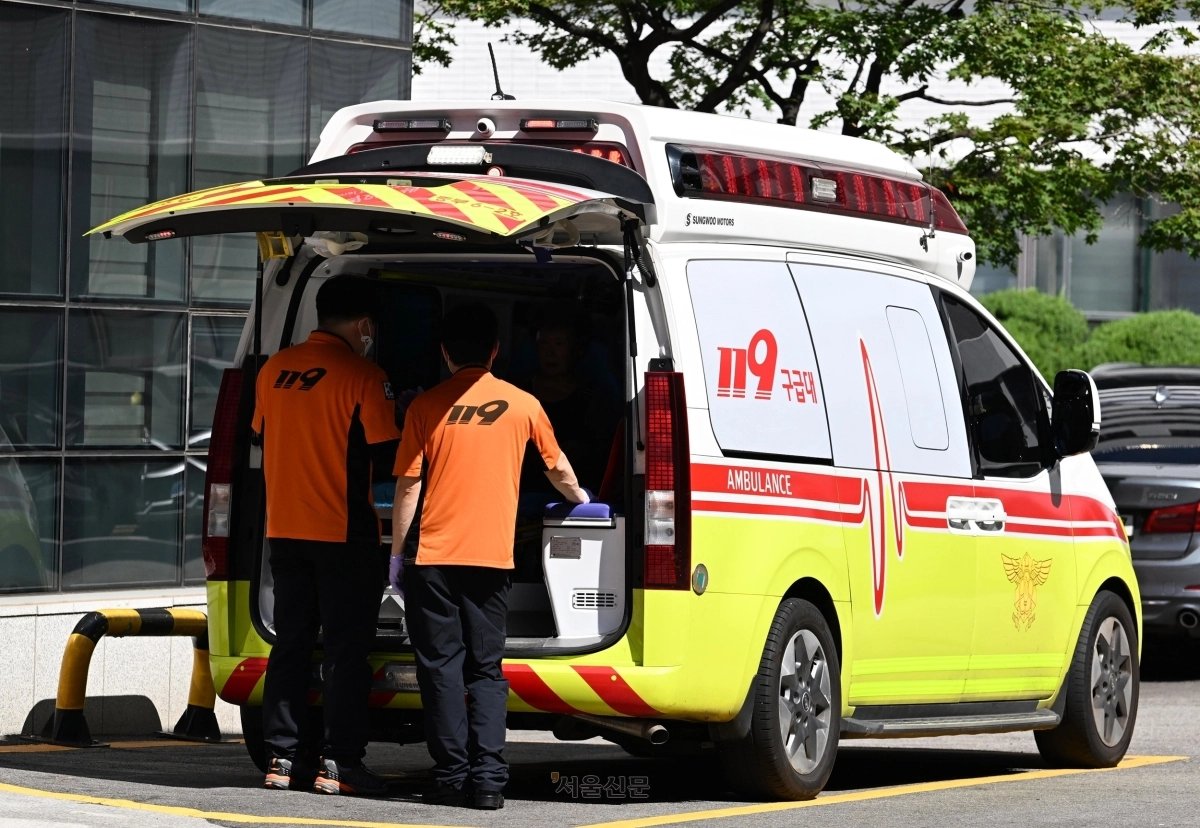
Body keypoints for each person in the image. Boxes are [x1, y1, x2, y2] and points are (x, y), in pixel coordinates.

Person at [391, 303, 588, 810]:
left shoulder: (425, 407)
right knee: (486, 669)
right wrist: (582, 501)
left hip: (433, 558)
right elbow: (558, 468)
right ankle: (489, 782)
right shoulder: (523, 404)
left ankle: (452, 776)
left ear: (443, 352)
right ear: (496, 350)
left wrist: (397, 554)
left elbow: (410, 486)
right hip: (491, 560)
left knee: (440, 668)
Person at [253, 275, 400, 797]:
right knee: (344, 651)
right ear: (363, 325)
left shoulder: (272, 369)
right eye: (369, 329)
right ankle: (339, 763)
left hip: (284, 531)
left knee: (290, 643)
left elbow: (261, 434)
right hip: (343, 533)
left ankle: (280, 758)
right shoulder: (364, 375)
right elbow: (389, 452)